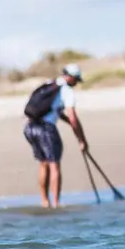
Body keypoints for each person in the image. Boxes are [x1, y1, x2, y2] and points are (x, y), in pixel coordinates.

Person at [23, 62, 89, 209]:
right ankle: (56, 203)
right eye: (76, 80)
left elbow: (55, 111)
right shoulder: (67, 91)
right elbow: (72, 117)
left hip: (30, 127)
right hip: (46, 130)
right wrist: (81, 140)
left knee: (43, 163)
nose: (77, 83)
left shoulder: (49, 84)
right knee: (54, 165)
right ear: (71, 78)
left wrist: (67, 122)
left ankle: (45, 201)